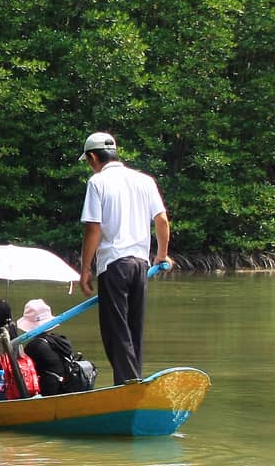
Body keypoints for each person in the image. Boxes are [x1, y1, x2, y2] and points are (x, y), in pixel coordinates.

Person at [78, 131, 172, 385]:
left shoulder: (97, 183)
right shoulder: (144, 180)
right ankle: (133, 381)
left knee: (115, 331)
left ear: (94, 157)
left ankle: (129, 387)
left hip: (113, 265)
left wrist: (85, 269)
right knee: (133, 330)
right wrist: (161, 255)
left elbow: (93, 229)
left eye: (88, 160)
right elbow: (161, 220)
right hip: (140, 265)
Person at [16, 298, 90, 396]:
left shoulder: (35, 347)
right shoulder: (60, 341)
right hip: (66, 389)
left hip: (49, 394)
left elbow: (24, 372)